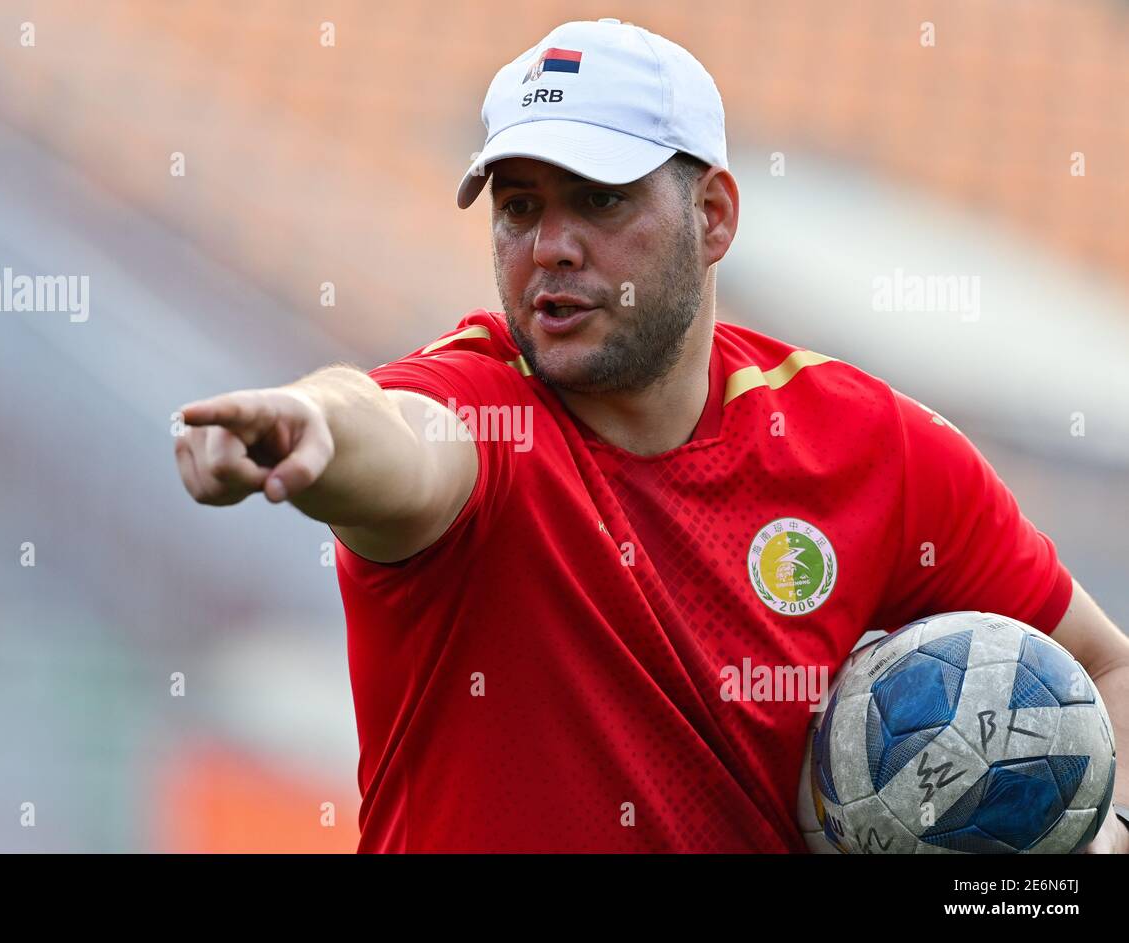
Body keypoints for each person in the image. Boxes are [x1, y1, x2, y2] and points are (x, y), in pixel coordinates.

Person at [175, 19, 1129, 853]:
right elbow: (394, 434)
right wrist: (313, 426)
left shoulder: (868, 444)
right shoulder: (482, 414)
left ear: (712, 215)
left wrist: (1093, 838)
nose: (551, 242)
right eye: (519, 206)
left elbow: (1103, 663)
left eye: (599, 199)